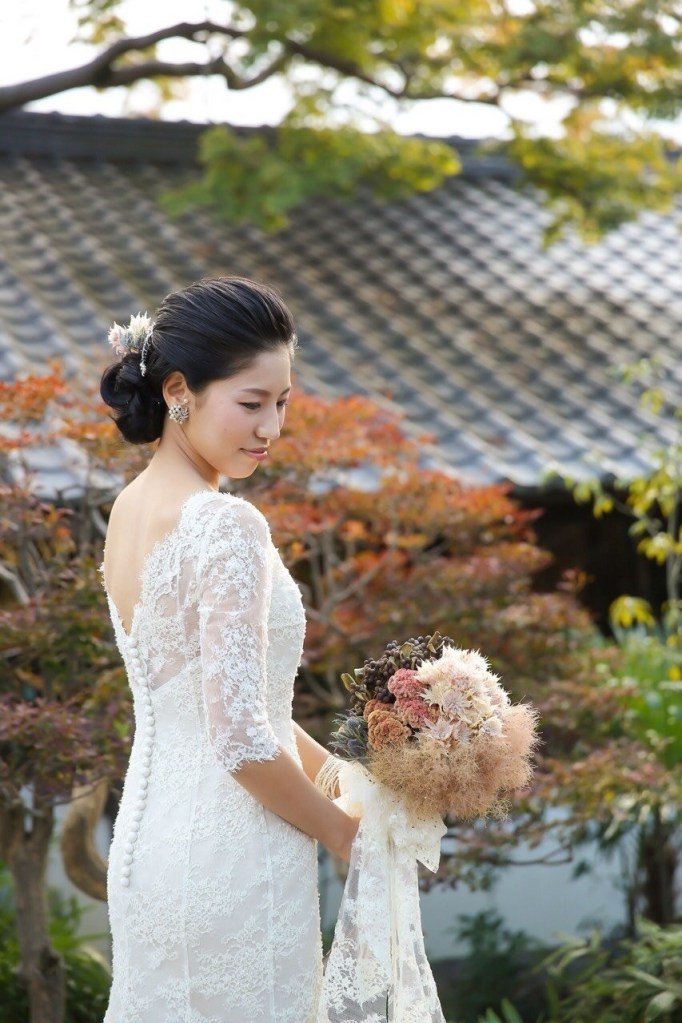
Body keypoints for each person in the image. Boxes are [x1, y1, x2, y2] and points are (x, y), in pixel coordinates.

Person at [99, 276, 358, 1023]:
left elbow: (232, 701)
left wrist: (347, 779)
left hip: (148, 847)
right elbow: (241, 738)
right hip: (235, 851)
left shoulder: (128, 508)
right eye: (251, 403)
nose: (270, 426)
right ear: (178, 391)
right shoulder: (225, 524)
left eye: (283, 403)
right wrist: (343, 832)